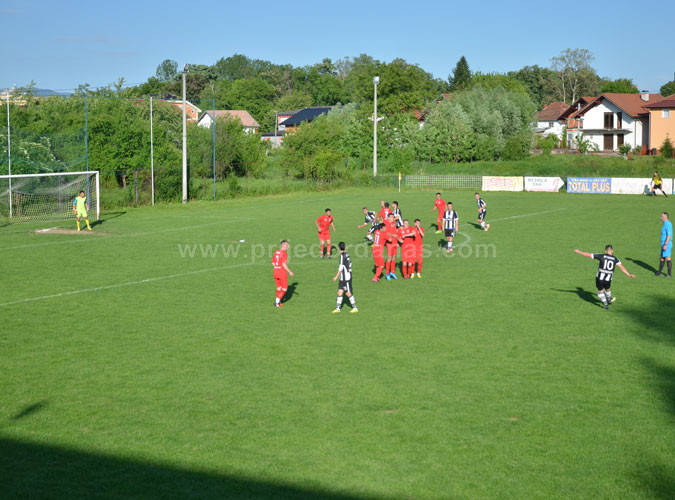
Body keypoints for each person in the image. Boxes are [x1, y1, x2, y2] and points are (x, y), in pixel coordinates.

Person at [332, 242, 358, 313]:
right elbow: (350, 264)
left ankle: (355, 308)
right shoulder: (347, 254)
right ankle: (338, 309)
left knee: (348, 293)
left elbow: (340, 268)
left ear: (338, 248)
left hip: (346, 278)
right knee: (339, 292)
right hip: (343, 277)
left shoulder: (342, 256)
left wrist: (336, 277)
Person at [273, 240, 295, 308]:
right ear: (284, 245)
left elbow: (273, 263)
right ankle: (277, 302)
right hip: (281, 272)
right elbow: (283, 264)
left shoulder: (276, 252)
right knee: (284, 288)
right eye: (287, 245)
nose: (288, 246)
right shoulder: (284, 253)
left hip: (275, 271)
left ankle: (278, 302)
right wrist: (290, 272)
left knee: (279, 287)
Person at [656, 212, 673, 277]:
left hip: (667, 243)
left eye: (661, 216)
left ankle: (669, 274)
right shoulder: (665, 224)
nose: (660, 218)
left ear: (665, 217)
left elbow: (669, 235)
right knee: (662, 257)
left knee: (668, 258)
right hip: (664, 243)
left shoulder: (668, 224)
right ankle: (659, 272)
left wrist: (665, 244)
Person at [384, 213, 399, 280]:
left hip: (395, 243)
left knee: (394, 258)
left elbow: (396, 233)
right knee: (389, 258)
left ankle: (392, 272)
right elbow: (386, 233)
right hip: (389, 243)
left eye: (393, 217)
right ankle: (387, 274)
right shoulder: (386, 224)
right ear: (388, 218)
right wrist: (393, 235)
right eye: (391, 217)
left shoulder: (393, 224)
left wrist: (397, 241)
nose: (393, 218)